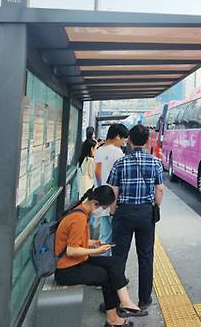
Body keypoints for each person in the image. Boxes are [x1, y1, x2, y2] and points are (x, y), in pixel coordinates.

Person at [54, 186, 145, 327]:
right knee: (106, 276)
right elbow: (71, 250)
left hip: (77, 261)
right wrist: (97, 251)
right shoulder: (78, 218)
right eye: (104, 208)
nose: (104, 211)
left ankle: (124, 302)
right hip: (67, 269)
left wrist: (93, 243)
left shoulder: (81, 211)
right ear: (95, 203)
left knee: (115, 262)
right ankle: (113, 318)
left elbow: (74, 241)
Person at [108, 125, 164, 310]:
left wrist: (113, 212)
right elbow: (160, 190)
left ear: (130, 140)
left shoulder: (120, 163)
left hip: (124, 213)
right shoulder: (155, 162)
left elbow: (114, 191)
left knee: (118, 257)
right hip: (145, 213)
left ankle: (116, 300)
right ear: (148, 141)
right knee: (146, 256)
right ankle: (144, 299)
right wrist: (155, 205)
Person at [93, 123, 129, 252]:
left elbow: (97, 173)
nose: (124, 143)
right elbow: (121, 178)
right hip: (114, 199)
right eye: (123, 139)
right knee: (116, 236)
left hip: (101, 197)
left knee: (104, 235)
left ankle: (104, 262)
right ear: (117, 136)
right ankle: (111, 265)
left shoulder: (99, 150)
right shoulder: (117, 152)